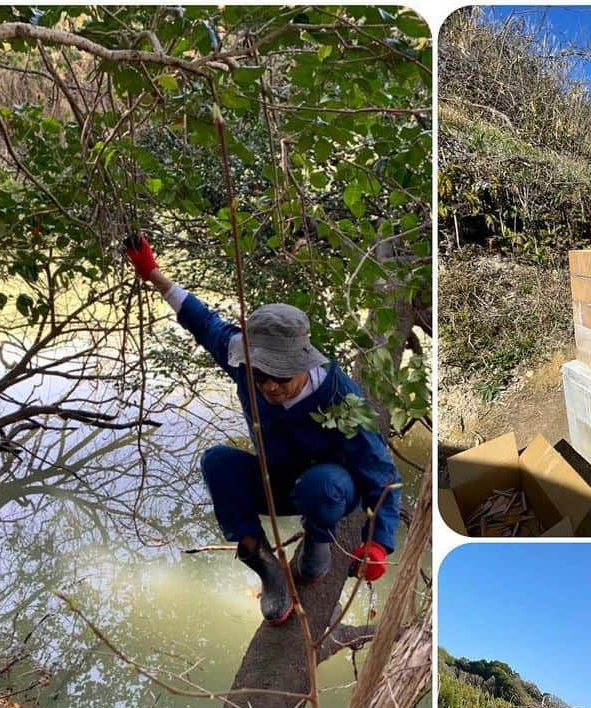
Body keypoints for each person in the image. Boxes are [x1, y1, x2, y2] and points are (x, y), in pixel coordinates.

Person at [123, 233, 401, 626]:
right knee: (217, 461)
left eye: (281, 376)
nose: (270, 385)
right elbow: (202, 321)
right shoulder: (240, 356)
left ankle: (317, 541)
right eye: (260, 375)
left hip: (327, 488)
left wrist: (379, 545)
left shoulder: (337, 395)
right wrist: (153, 274)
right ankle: (266, 565)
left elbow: (382, 472)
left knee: (323, 486)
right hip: (276, 480)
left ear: (303, 363)